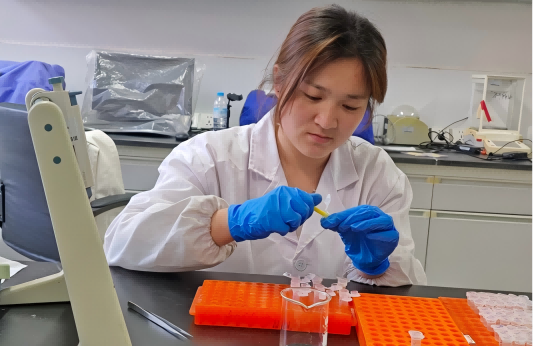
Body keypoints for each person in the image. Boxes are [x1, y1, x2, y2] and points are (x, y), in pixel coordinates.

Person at [104, 4, 427, 286]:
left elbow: (407, 292)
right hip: (215, 333)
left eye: (350, 106)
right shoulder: (208, 157)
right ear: (280, 81)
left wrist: (376, 266)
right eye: (313, 96)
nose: (327, 121)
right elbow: (122, 244)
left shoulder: (376, 172)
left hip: (328, 332)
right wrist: (227, 224)